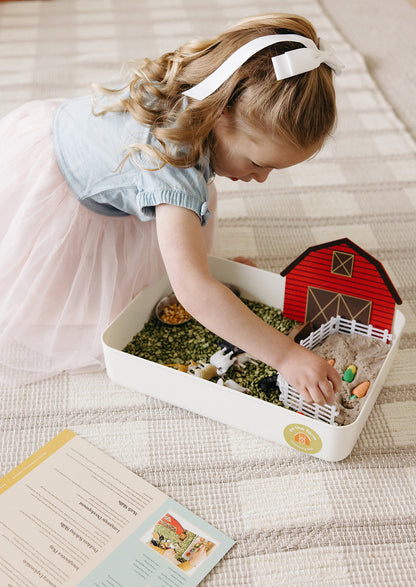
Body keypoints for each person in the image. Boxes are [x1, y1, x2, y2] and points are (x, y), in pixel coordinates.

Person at [0, 12, 342, 404]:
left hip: (71, 132)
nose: (261, 179)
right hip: (57, 189)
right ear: (221, 115)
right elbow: (193, 291)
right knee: (93, 302)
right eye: (257, 163)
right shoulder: (171, 166)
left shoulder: (197, 95)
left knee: (185, 231)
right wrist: (286, 354)